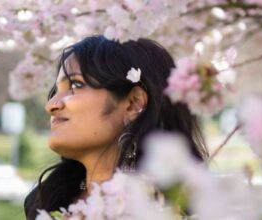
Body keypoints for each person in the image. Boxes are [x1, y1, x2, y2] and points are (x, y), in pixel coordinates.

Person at [24, 35, 208, 220]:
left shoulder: (180, 206)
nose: (51, 105)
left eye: (76, 85)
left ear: (133, 103)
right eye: (56, 91)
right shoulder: (44, 202)